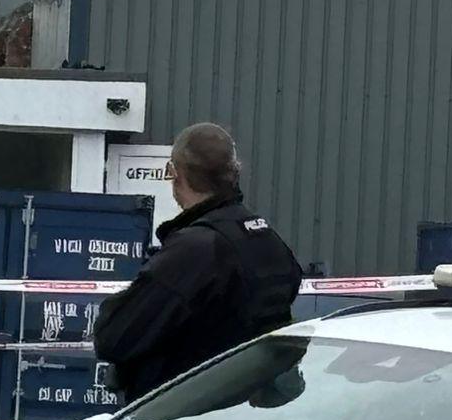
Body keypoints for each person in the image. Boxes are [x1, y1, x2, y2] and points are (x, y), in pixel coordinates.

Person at [94, 122, 303, 401]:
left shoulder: (195, 251)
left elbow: (114, 336)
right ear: (233, 174)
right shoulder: (264, 237)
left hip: (185, 418)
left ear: (176, 175)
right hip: (248, 415)